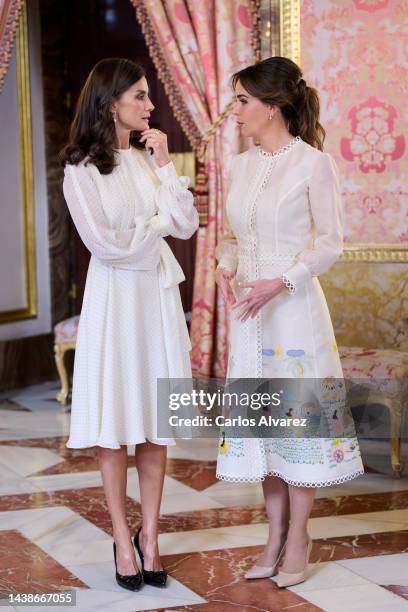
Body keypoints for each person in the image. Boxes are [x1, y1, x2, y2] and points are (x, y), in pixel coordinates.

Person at [215, 56, 364, 588]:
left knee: (298, 425)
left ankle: (299, 536)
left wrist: (280, 282)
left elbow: (330, 244)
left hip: (294, 313)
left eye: (242, 101)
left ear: (272, 107)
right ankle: (273, 536)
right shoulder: (241, 165)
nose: (235, 112)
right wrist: (225, 264)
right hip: (250, 319)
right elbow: (234, 236)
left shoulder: (312, 164)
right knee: (263, 429)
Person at [60, 58, 198, 591]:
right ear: (110, 101)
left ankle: (152, 537)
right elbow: (105, 247)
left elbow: (187, 223)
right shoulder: (80, 170)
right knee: (117, 424)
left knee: (156, 423)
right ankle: (121, 537)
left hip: (155, 302)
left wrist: (164, 166)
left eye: (148, 95)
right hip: (116, 302)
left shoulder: (149, 158)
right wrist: (156, 224)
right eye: (140, 95)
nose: (150, 105)